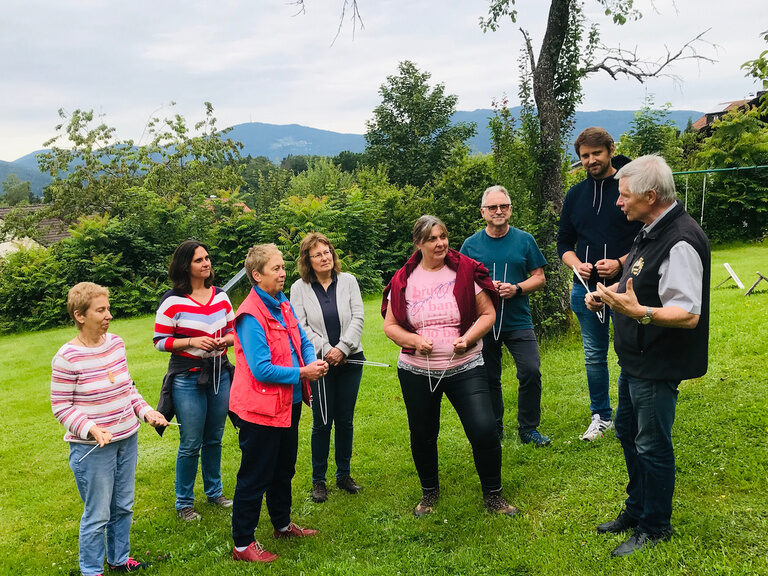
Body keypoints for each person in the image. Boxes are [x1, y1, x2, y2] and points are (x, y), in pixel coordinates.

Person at [588, 155, 710, 557]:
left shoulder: (680, 241)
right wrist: (607, 297)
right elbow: (637, 284)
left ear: (651, 196)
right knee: (627, 432)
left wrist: (636, 312)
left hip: (658, 363)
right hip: (636, 358)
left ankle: (655, 526)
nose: (618, 203)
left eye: (624, 196)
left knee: (652, 445)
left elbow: (687, 313)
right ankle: (637, 508)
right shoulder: (650, 230)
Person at [382, 215, 518, 518]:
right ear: (419, 243)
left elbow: (487, 313)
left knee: (483, 428)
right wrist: (414, 340)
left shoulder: (464, 271)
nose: (440, 243)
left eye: (443, 236)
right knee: (423, 433)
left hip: (466, 365)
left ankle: (494, 496)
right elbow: (390, 326)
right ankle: (429, 493)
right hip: (416, 370)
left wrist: (468, 338)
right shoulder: (403, 279)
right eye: (432, 238)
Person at [52, 282, 169, 576]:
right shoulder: (67, 357)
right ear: (80, 315)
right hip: (93, 448)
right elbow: (61, 406)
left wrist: (146, 412)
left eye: (108, 309)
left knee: (124, 506)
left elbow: (127, 388)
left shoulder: (116, 343)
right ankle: (92, 570)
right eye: (101, 310)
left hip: (127, 438)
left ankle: (119, 559)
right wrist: (91, 429)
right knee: (98, 514)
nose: (109, 315)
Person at [229, 243, 328, 563]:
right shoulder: (249, 314)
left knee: (283, 468)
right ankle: (243, 543)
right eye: (276, 269)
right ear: (256, 275)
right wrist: (303, 371)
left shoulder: (281, 302)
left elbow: (301, 339)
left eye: (283, 267)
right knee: (255, 474)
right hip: (260, 408)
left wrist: (311, 364)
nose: (283, 273)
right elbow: (261, 369)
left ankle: (282, 524)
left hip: (290, 401)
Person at [557, 127, 643, 441]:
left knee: (629, 348)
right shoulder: (575, 195)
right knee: (594, 354)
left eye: (597, 154)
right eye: (585, 156)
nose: (591, 161)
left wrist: (621, 262)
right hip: (585, 287)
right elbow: (563, 242)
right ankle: (601, 416)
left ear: (610, 151)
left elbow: (647, 236)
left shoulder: (629, 187)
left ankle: (633, 414)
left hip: (629, 282)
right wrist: (576, 264)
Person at [461, 185, 551, 446]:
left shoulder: (525, 240)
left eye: (503, 206)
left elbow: (540, 278)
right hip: (484, 321)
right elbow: (463, 283)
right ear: (483, 212)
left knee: (531, 370)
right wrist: (486, 291)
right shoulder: (471, 245)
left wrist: (517, 288)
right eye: (492, 207)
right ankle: (494, 427)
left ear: (511, 210)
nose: (498, 211)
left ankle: (529, 428)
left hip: (518, 320)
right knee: (489, 376)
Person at [153, 240, 235, 521]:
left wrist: (225, 340)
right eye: (199, 260)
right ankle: (184, 502)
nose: (206, 263)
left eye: (207, 258)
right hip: (187, 378)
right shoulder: (172, 301)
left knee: (214, 438)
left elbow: (235, 332)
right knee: (190, 442)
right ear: (185, 265)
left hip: (219, 374)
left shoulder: (221, 296)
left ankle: (215, 492)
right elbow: (160, 342)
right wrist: (191, 341)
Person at [290, 233, 365, 503]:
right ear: (307, 261)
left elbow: (358, 316)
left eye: (327, 252)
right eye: (317, 254)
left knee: (344, 420)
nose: (324, 258)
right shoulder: (299, 288)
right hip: (319, 364)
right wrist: (327, 350)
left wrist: (343, 348)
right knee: (322, 422)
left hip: (351, 360)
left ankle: (343, 475)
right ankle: (318, 480)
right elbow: (300, 326)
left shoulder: (349, 281)